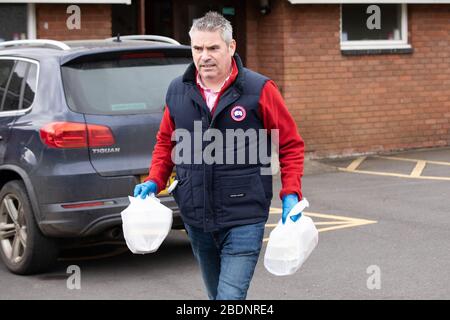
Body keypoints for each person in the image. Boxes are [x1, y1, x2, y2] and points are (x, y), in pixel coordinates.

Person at [134, 11, 304, 300]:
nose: (204, 56)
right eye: (197, 48)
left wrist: (291, 192)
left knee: (229, 298)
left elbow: (289, 144)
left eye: (213, 48)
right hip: (196, 217)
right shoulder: (178, 90)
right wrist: (154, 180)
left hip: (244, 216)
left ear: (231, 47)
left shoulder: (259, 90)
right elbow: (166, 143)